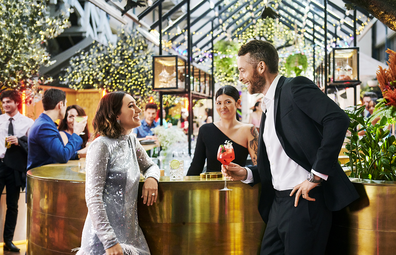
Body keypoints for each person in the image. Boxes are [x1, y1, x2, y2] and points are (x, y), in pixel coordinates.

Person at [223, 40, 359, 255]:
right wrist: (247, 173)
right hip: (278, 203)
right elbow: (280, 159)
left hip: (305, 202)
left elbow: (337, 118)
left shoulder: (294, 87)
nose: (240, 77)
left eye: (242, 70)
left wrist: (316, 175)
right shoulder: (268, 105)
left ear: (260, 67)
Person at [77, 91, 160, 255]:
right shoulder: (101, 146)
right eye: (131, 106)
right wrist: (109, 241)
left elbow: (151, 166)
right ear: (115, 115)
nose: (138, 110)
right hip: (104, 241)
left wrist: (151, 178)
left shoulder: (131, 140)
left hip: (131, 235)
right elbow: (93, 197)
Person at [187, 85, 258, 176]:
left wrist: (244, 172)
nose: (222, 107)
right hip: (211, 187)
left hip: (239, 187)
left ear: (238, 103)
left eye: (227, 102)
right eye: (219, 103)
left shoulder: (249, 131)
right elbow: (196, 167)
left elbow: (260, 167)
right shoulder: (205, 130)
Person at [0, 90, 34, 252]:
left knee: (12, 206)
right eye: (4, 102)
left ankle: (9, 240)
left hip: (15, 167)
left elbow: (34, 145)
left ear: (16, 103)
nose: (5, 105)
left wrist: (20, 142)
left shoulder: (28, 122)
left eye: (8, 102)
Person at [27, 88, 87, 170]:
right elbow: (63, 156)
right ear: (60, 104)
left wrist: (80, 154)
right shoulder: (44, 126)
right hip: (42, 178)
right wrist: (76, 133)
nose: (65, 108)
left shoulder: (45, 122)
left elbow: (57, 152)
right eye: (65, 104)